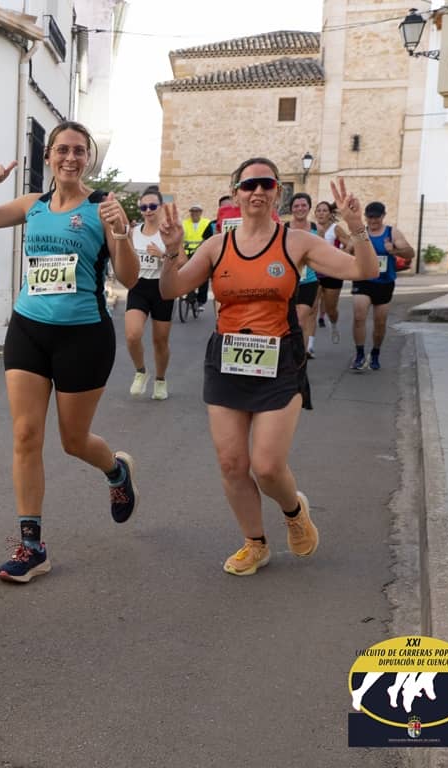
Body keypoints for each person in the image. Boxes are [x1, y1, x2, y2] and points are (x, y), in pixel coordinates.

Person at [158, 158, 379, 576]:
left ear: (277, 191)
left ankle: (294, 512)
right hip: (227, 360)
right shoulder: (217, 245)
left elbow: (364, 270)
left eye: (266, 183)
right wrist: (172, 251)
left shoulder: (296, 242)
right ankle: (255, 543)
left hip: (279, 360)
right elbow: (171, 289)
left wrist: (357, 229)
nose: (257, 191)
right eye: (249, 185)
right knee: (231, 464)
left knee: (267, 466)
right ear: (236, 193)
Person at [0, 120, 141, 583]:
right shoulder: (34, 205)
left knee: (73, 441)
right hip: (28, 329)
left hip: (83, 336)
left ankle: (116, 471)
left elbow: (130, 278)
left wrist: (121, 233)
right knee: (25, 435)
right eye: (62, 149)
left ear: (88, 159)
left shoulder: (103, 207)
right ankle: (32, 547)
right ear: (48, 157)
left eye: (79, 151)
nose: (70, 157)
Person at [350, 201, 414, 371]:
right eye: (370, 217)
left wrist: (393, 250)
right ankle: (359, 354)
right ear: (366, 217)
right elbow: (347, 250)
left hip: (384, 283)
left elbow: (410, 253)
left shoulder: (392, 233)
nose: (373, 220)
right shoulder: (361, 233)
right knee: (359, 316)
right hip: (363, 280)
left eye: (376, 217)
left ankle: (375, 353)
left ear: (383, 216)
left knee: (380, 323)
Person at [125, 186, 175, 400]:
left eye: (152, 206)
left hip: (162, 287)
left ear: (161, 207)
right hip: (139, 286)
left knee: (160, 341)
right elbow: (124, 258)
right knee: (132, 335)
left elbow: (182, 261)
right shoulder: (133, 233)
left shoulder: (168, 232)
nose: (148, 210)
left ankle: (160, 380)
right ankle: (141, 371)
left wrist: (163, 255)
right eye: (143, 207)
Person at [286, 193, 320, 359]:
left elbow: (323, 253)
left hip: (309, 281)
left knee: (301, 320)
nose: (300, 209)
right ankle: (288, 357)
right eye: (296, 206)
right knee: (287, 322)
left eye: (303, 205)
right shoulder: (283, 229)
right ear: (291, 209)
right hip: (287, 282)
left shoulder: (316, 229)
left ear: (309, 208)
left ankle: (300, 359)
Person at [314, 201, 346, 345]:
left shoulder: (335, 229)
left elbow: (350, 243)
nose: (321, 213)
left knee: (331, 309)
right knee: (310, 308)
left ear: (330, 214)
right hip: (314, 273)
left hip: (332, 273)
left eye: (324, 210)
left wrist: (340, 255)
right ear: (315, 213)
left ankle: (333, 325)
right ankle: (309, 345)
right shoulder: (311, 228)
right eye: (319, 210)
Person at [182, 204, 213, 306]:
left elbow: (210, 237)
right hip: (188, 252)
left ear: (201, 212)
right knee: (187, 274)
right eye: (192, 211)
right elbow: (181, 237)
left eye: (196, 211)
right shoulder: (184, 223)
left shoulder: (207, 223)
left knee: (203, 275)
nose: (194, 213)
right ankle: (190, 295)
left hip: (202, 252)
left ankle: (201, 300)